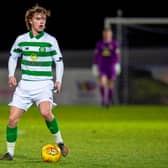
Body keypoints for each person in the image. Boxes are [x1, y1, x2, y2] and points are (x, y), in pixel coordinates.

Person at [0, 5, 69, 160]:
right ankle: (9, 153)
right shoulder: (21, 40)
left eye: (43, 19)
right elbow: (13, 56)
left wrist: (58, 80)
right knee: (12, 119)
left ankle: (60, 142)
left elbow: (59, 62)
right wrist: (11, 74)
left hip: (44, 84)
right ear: (30, 21)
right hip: (25, 85)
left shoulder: (51, 40)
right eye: (38, 19)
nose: (41, 22)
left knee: (45, 112)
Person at [92, 28, 120, 107]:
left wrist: (117, 64)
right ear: (103, 34)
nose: (107, 35)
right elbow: (96, 55)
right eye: (105, 33)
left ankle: (109, 101)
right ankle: (104, 100)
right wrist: (95, 64)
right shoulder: (99, 44)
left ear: (111, 34)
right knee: (102, 82)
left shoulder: (114, 43)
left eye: (108, 33)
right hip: (102, 66)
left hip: (111, 66)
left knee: (110, 84)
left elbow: (117, 54)